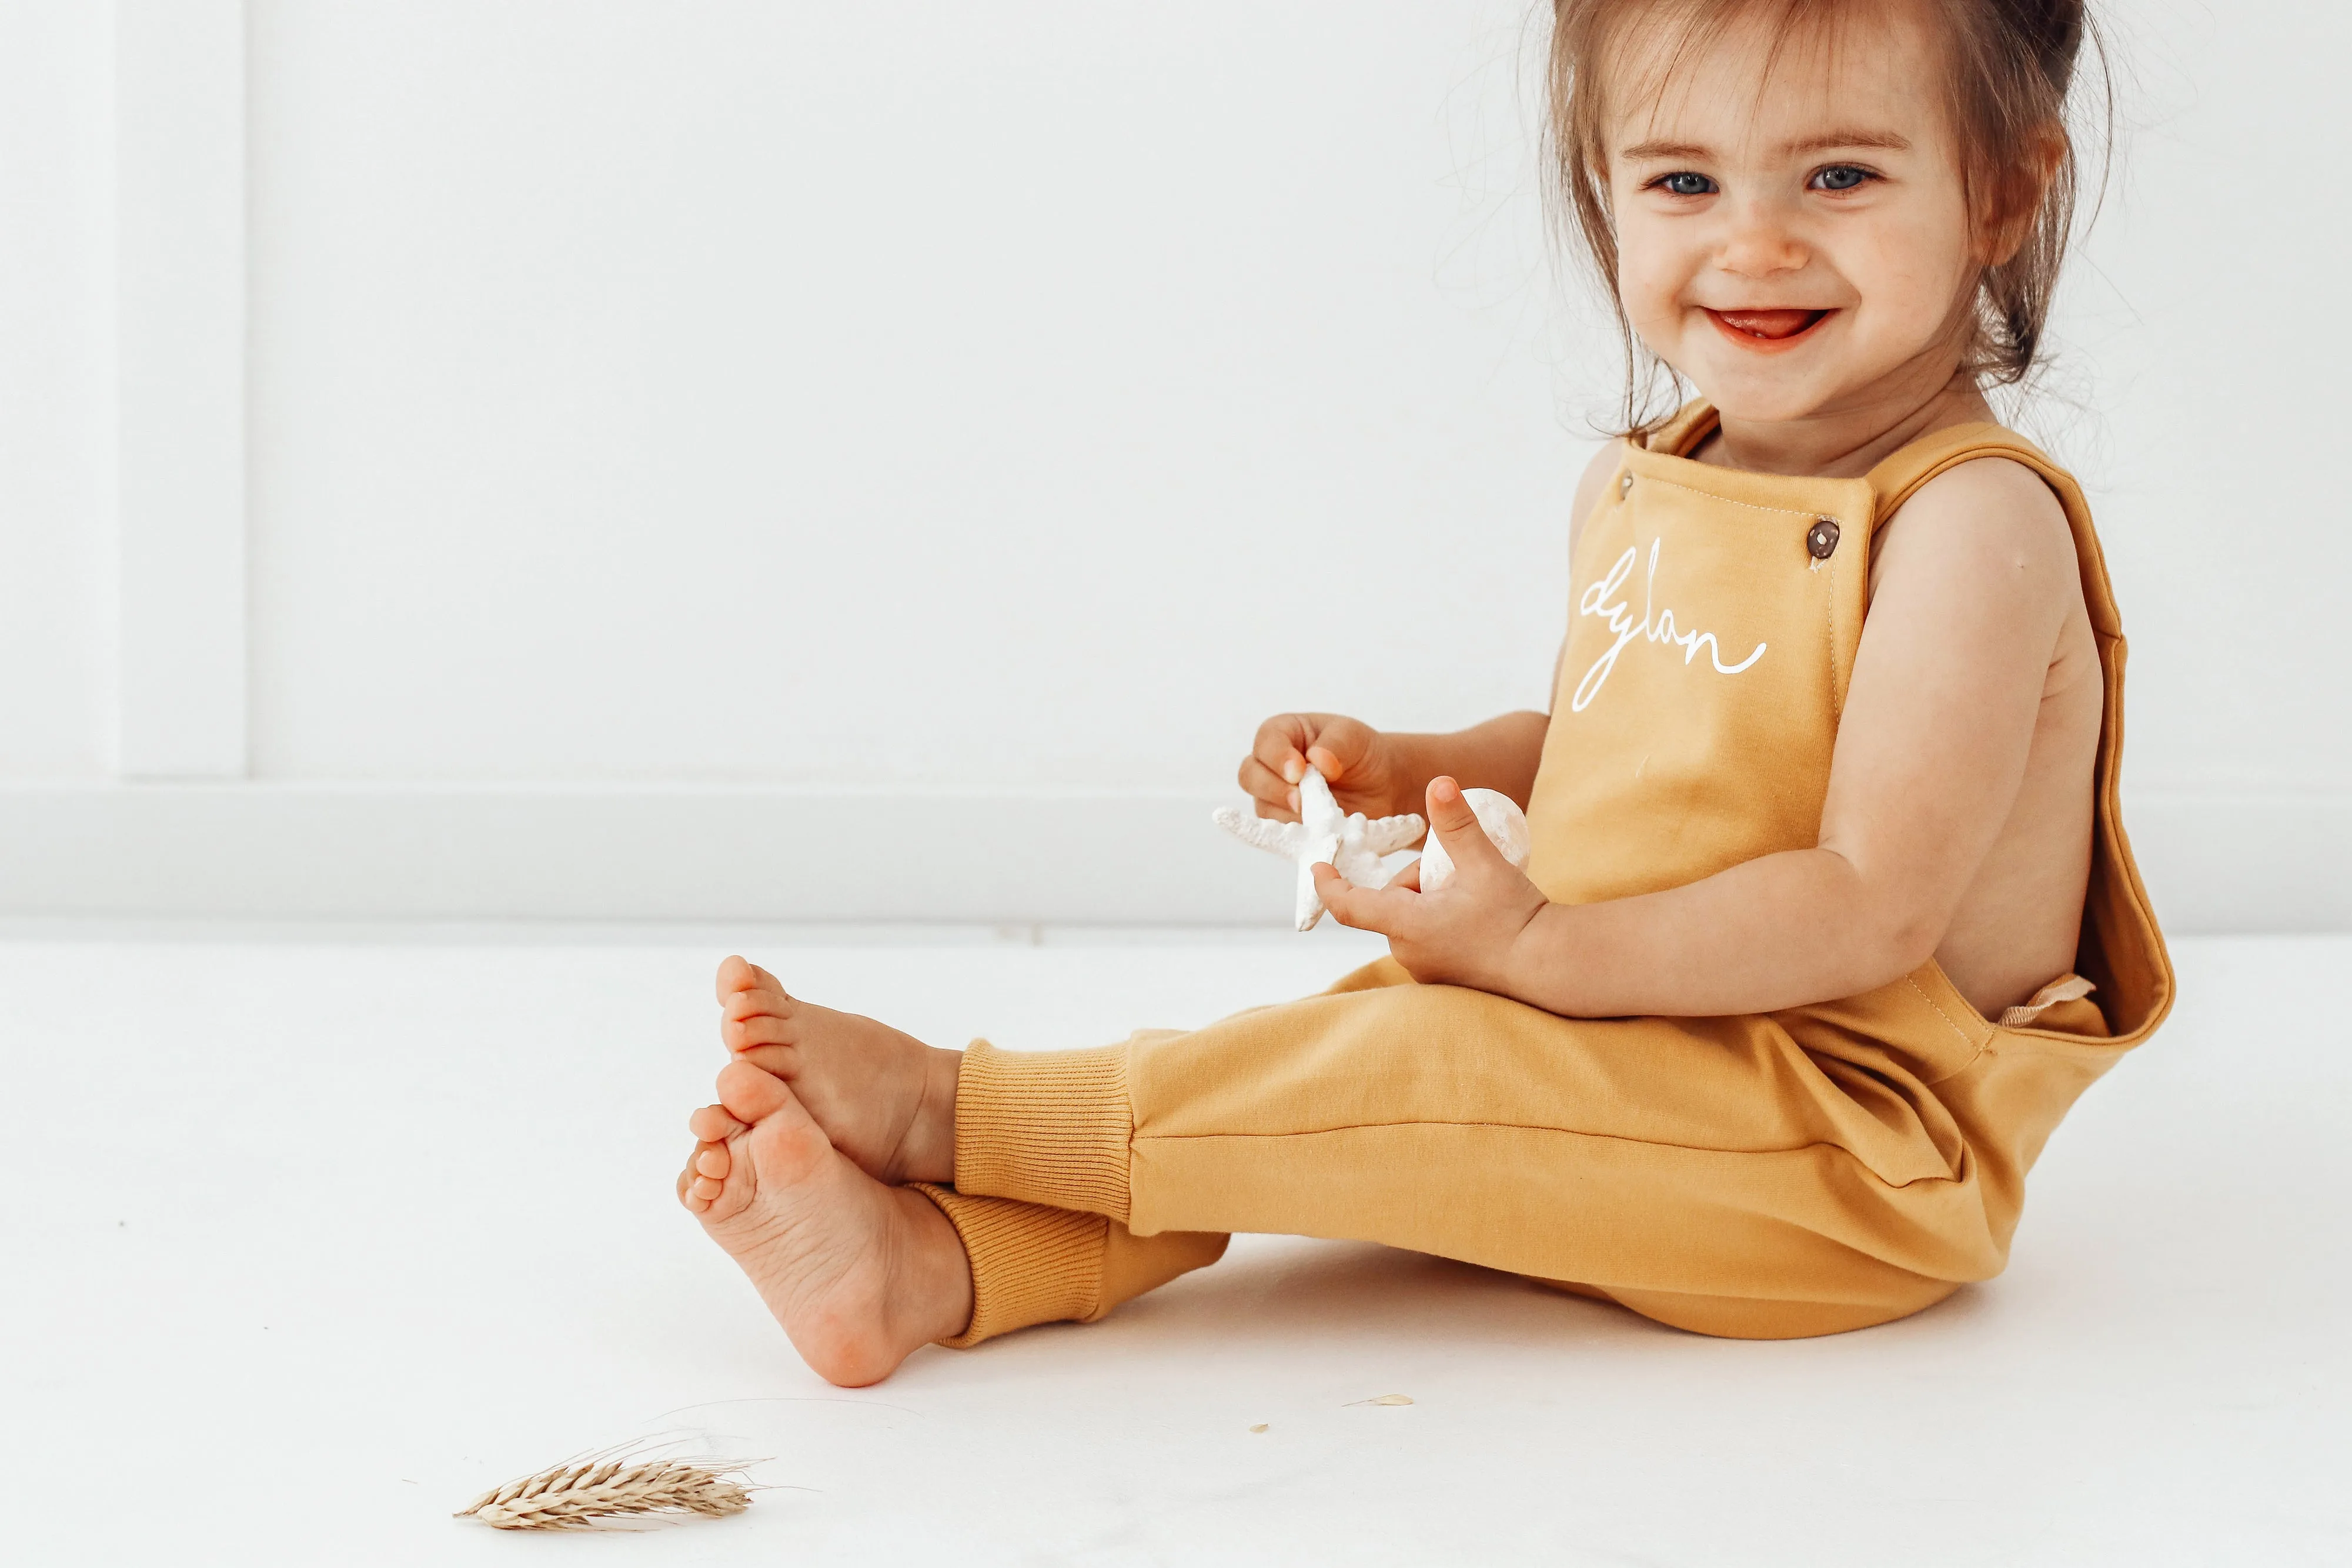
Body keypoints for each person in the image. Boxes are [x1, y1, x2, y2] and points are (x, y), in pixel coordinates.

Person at [675, 0, 2173, 1387]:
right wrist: (1424, 767)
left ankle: (957, 1110)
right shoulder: (1646, 479)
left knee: (1410, 1066)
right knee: (1322, 1074)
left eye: (1838, 177)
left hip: (1845, 1142)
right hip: (1635, 1032)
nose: (1754, 244)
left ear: (1997, 191)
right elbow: (1618, 757)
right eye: (1681, 183)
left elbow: (1866, 901)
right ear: (1601, 190)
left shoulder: (1968, 524)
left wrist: (1537, 949)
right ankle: (941, 1266)